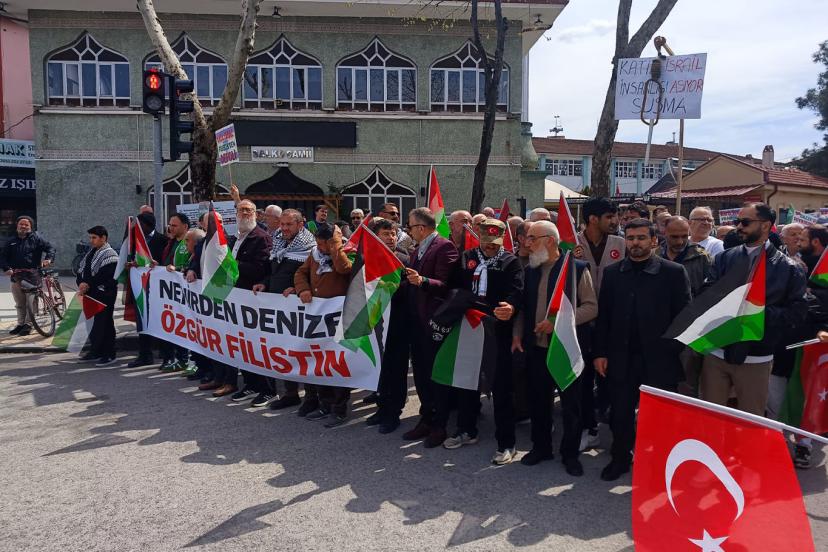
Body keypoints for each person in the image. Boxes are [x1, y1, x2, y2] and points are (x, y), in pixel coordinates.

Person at [593, 218, 692, 481]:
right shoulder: (613, 273)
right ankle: (620, 458)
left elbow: (684, 316)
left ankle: (658, 463)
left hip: (659, 359)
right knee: (620, 413)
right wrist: (600, 353)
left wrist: (670, 349)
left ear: (654, 240)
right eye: (630, 238)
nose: (635, 243)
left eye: (641, 238)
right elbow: (604, 317)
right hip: (620, 357)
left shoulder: (673, 272)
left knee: (659, 417)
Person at [700, 203, 807, 416]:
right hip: (716, 352)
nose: (739, 227)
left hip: (756, 357)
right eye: (737, 222)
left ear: (765, 225)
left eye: (745, 222)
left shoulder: (789, 268)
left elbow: (796, 313)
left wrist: (755, 312)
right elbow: (705, 293)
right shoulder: (724, 257)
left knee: (750, 420)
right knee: (710, 418)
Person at [431, 219, 523, 464]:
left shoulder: (510, 262)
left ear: (501, 239)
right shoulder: (467, 257)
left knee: (501, 386)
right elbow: (452, 287)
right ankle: (466, 429)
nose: (490, 247)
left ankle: (507, 443)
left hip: (496, 329)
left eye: (494, 243)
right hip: (468, 326)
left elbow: (518, 292)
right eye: (486, 242)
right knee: (466, 380)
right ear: (479, 237)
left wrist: (511, 307)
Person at [514, 221, 597, 476]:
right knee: (539, 401)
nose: (527, 243)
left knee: (571, 405)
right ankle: (541, 448)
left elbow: (591, 307)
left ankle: (570, 454)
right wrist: (517, 335)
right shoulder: (531, 270)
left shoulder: (577, 269)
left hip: (566, 349)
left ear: (550, 240)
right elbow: (523, 309)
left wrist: (558, 323)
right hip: (537, 349)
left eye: (532, 238)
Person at [199, 201, 272, 399]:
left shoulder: (261, 237)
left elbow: (262, 268)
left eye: (248, 210)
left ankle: (267, 389)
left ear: (255, 214)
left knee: (257, 346)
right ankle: (250, 384)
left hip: (252, 299)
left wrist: (234, 264)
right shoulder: (234, 238)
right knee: (242, 346)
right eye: (241, 210)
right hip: (235, 299)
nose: (244, 213)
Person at [401, 207, 460, 442]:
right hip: (416, 320)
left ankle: (440, 424)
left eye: (410, 226)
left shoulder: (444, 247)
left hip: (433, 322)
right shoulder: (417, 249)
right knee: (421, 374)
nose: (409, 231)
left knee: (437, 375)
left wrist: (422, 280)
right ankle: (426, 418)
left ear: (422, 228)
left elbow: (446, 285)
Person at [573, 197, 625, 447]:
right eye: (609, 217)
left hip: (613, 323)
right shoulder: (572, 242)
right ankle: (588, 427)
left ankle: (615, 428)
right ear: (593, 219)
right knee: (583, 378)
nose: (615, 221)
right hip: (583, 322)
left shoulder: (621, 244)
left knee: (611, 377)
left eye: (615, 216)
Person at [292, 222, 354, 427]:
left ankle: (339, 409)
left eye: (322, 244)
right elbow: (300, 273)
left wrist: (336, 247)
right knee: (321, 363)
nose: (318, 247)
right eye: (317, 243)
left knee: (337, 365)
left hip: (337, 319)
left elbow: (344, 269)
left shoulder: (348, 250)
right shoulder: (314, 255)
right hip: (318, 318)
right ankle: (325, 404)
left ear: (331, 241)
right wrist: (303, 289)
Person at [259, 209, 316, 411]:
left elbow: (313, 277)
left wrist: (297, 288)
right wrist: (265, 283)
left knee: (303, 353)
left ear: (300, 225)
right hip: (279, 307)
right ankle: (290, 394)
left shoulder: (310, 248)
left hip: (300, 309)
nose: (283, 228)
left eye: (289, 224)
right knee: (283, 351)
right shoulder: (279, 242)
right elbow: (275, 272)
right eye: (282, 224)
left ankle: (311, 397)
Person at [365, 218, 410, 433]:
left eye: (393, 234)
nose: (391, 238)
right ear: (376, 237)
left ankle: (393, 413)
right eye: (386, 234)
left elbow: (408, 289)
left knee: (395, 368)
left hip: (398, 323)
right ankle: (382, 407)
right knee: (379, 367)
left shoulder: (403, 259)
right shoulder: (367, 259)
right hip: (375, 321)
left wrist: (391, 286)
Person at [1, 216, 55, 336]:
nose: (23, 226)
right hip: (16, 275)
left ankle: (28, 325)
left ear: (31, 227)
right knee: (19, 302)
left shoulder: (36, 239)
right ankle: (20, 324)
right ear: (17, 226)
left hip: (32, 274)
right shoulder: (11, 241)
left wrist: (48, 259)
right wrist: (6, 268)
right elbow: (3, 256)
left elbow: (50, 248)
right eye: (21, 224)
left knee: (31, 301)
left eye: (26, 225)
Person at [128, 212, 169, 368]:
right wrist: (132, 264)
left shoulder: (162, 240)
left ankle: (166, 354)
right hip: (141, 287)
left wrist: (156, 265)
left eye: (139, 224)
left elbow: (165, 262)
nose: (136, 228)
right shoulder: (135, 240)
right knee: (142, 320)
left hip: (158, 289)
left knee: (161, 321)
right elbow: (133, 258)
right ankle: (145, 355)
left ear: (146, 225)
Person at [76, 226, 120, 366]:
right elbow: (81, 270)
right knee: (93, 324)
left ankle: (109, 354)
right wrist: (81, 283)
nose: (91, 240)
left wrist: (87, 284)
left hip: (104, 294)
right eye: (90, 237)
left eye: (94, 237)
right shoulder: (91, 252)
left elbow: (106, 275)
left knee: (105, 323)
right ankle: (96, 351)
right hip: (90, 293)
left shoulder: (110, 254)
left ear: (103, 238)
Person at [158, 213, 193, 372]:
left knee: (184, 325)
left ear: (185, 226)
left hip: (184, 293)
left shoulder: (189, 242)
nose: (170, 228)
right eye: (170, 225)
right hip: (170, 293)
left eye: (174, 225)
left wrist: (177, 269)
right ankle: (176, 358)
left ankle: (184, 359)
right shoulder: (171, 242)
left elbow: (191, 264)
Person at [661, 216, 713, 297]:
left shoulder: (701, 256)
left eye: (684, 236)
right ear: (664, 233)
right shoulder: (653, 256)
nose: (680, 242)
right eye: (674, 237)